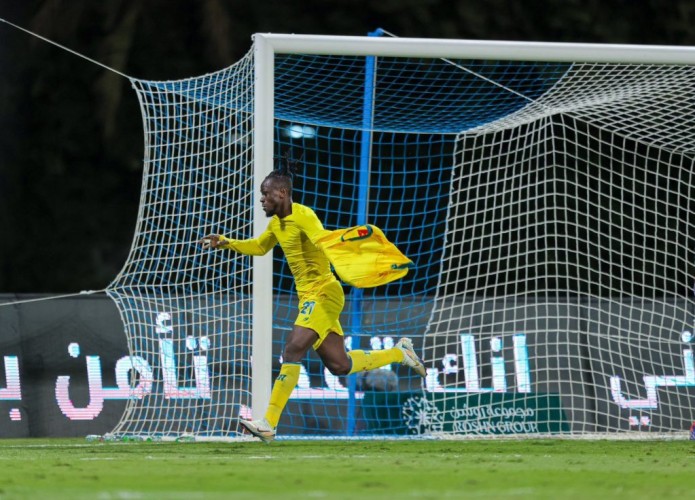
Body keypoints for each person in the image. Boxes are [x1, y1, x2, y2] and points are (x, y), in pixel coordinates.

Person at [201, 159, 426, 443]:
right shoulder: (277, 225)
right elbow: (259, 246)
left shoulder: (303, 215)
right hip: (309, 297)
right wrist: (226, 241)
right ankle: (399, 353)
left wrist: (348, 245)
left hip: (323, 292)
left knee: (293, 349)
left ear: (281, 193)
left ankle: (268, 423)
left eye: (266, 193)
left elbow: (322, 238)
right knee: (340, 365)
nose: (262, 199)